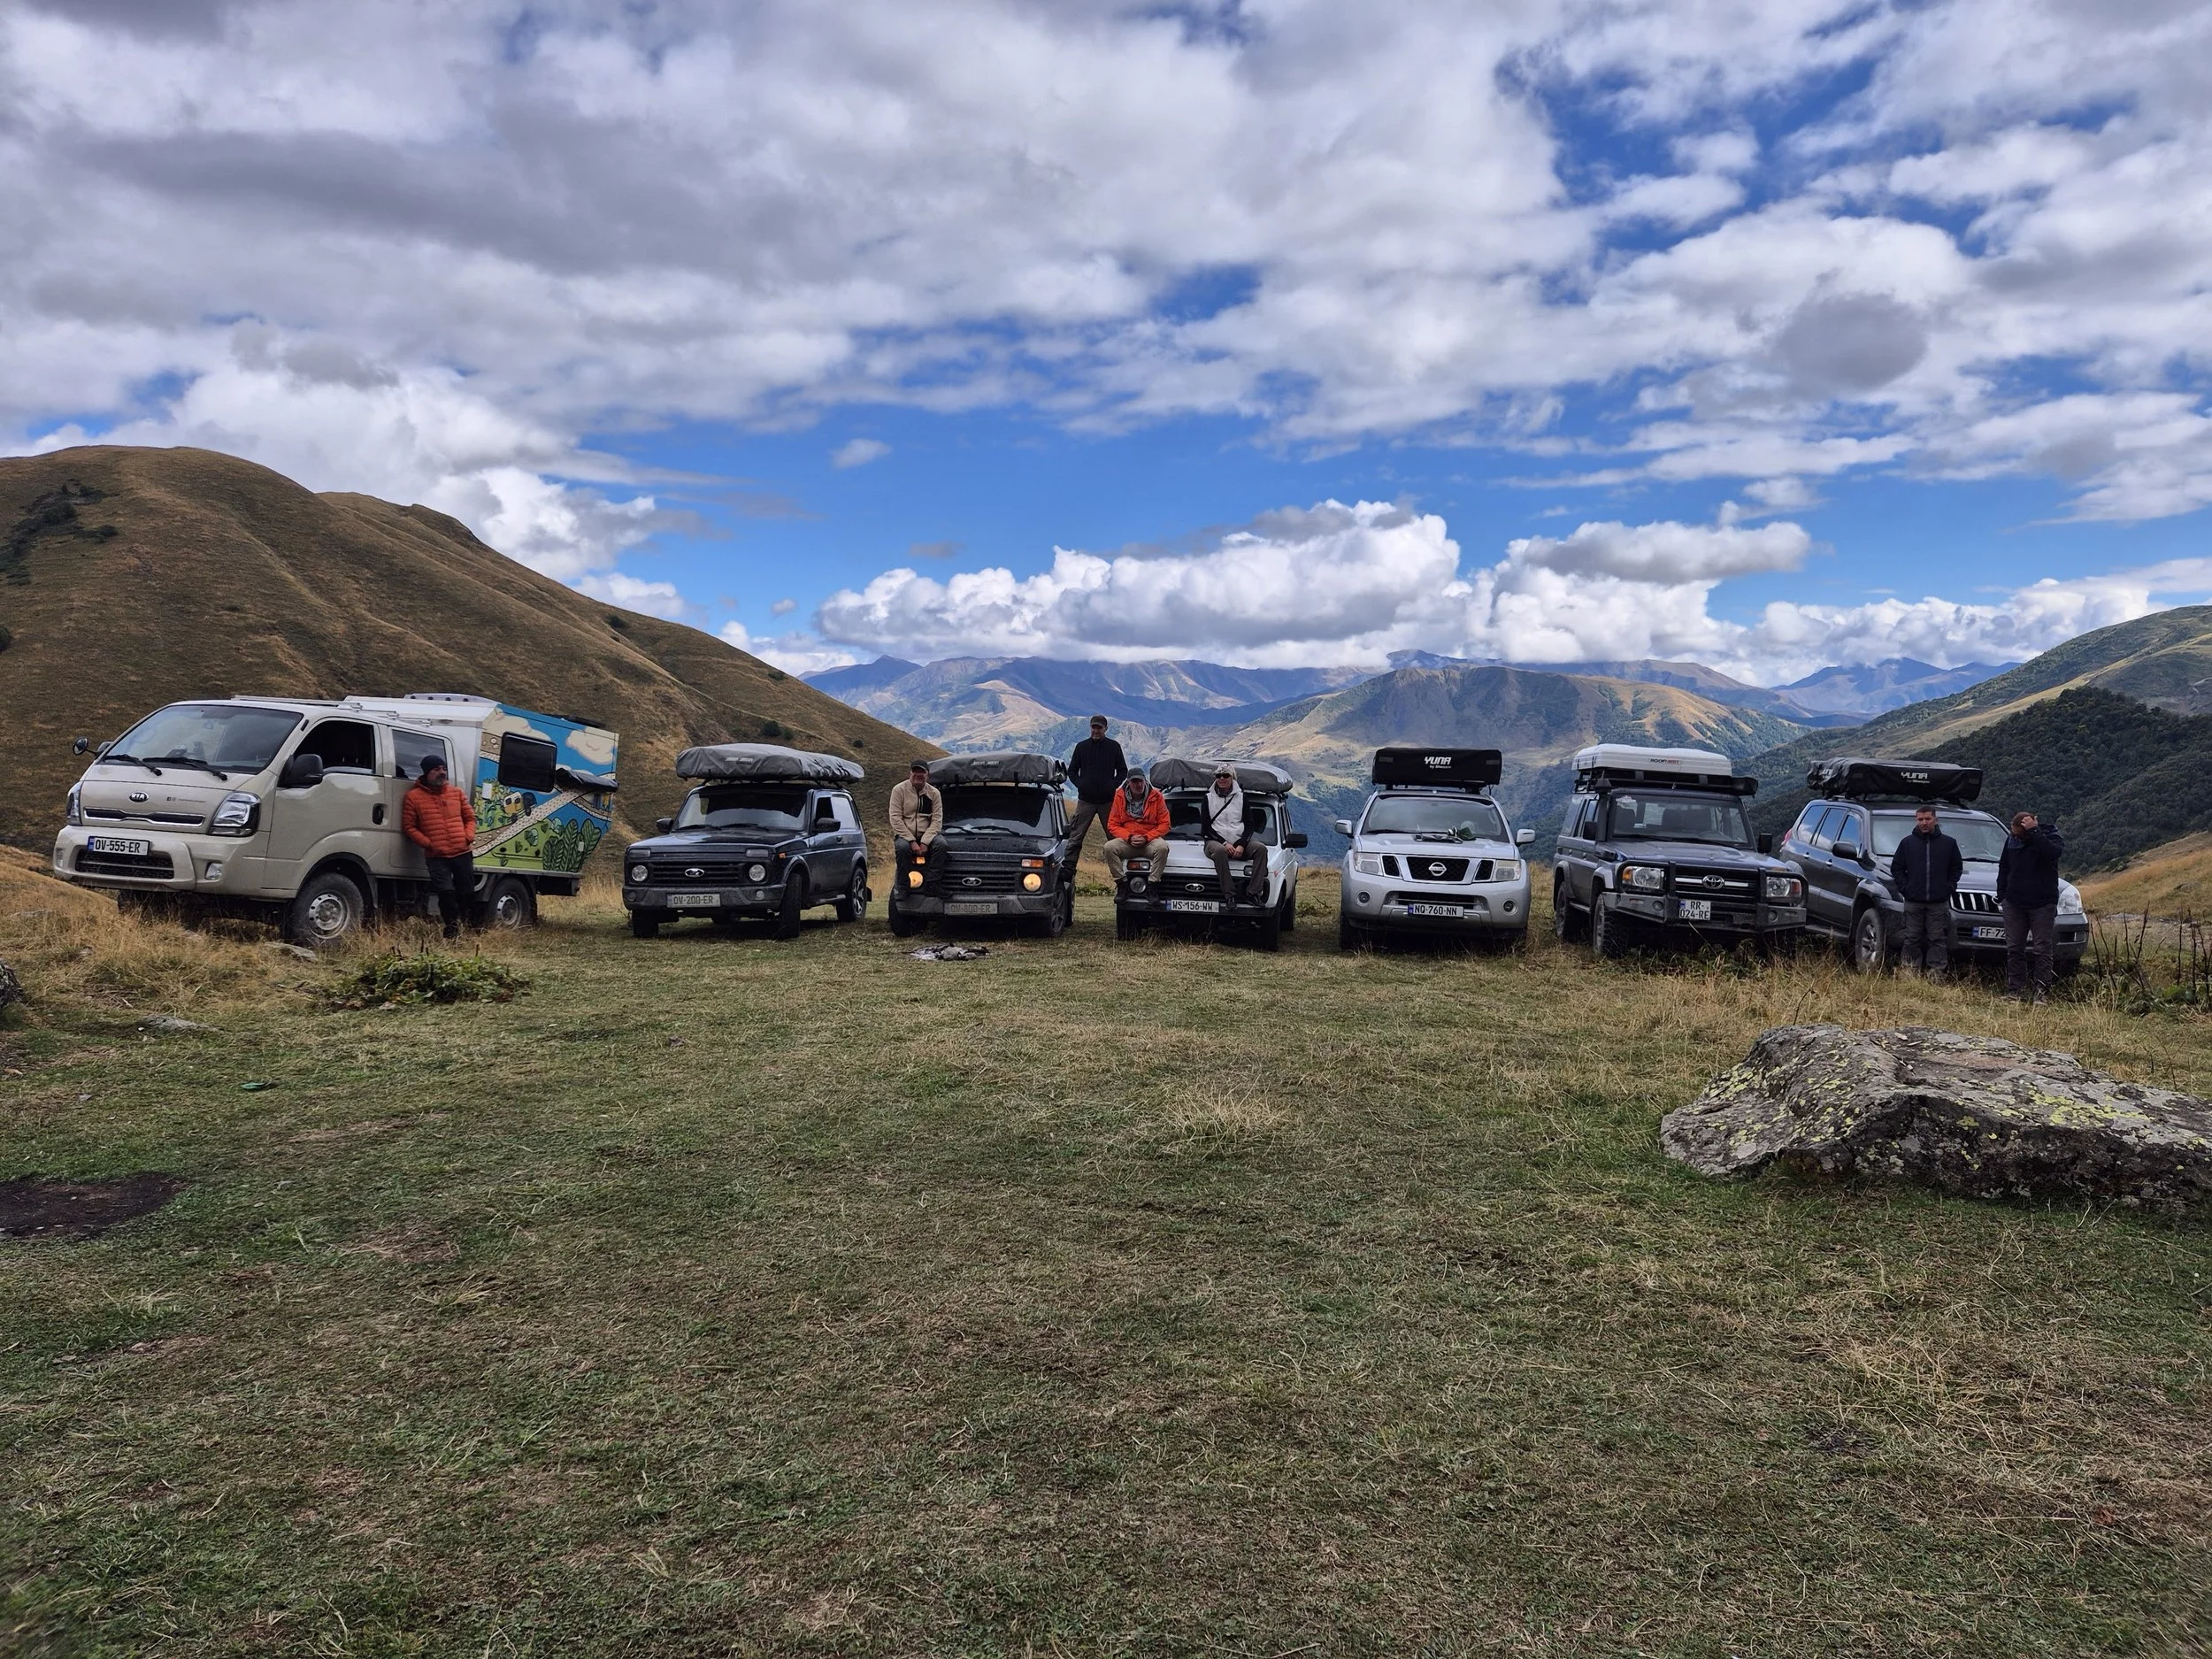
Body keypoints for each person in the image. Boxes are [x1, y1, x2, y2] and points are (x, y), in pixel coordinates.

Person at [402, 753, 477, 938]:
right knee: (446, 893)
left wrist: (468, 836)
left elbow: (470, 818)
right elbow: (409, 827)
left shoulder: (457, 793)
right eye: (436, 769)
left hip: (461, 852)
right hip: (436, 856)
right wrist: (428, 843)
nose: (441, 773)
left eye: (443, 769)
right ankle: (451, 928)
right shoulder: (413, 797)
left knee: (467, 892)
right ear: (427, 773)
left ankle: (473, 927)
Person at [1997, 810, 2065, 1001]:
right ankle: (2015, 991)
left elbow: (2053, 853)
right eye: (2013, 833)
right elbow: (2004, 866)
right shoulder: (2011, 840)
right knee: (2014, 948)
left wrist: (2035, 833)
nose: (2015, 836)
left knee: (2042, 948)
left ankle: (2041, 992)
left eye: (2019, 833)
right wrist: (2002, 894)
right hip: (2014, 902)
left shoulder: (2050, 835)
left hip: (2042, 903)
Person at [1888, 803, 1962, 979]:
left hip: (1938, 901)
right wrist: (1906, 889)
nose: (1924, 823)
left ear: (1935, 820)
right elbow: (1897, 868)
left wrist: (1948, 888)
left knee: (1937, 938)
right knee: (1911, 937)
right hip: (1914, 900)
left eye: (1927, 819)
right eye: (1920, 819)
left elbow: (1956, 868)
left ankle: (1936, 975)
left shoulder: (1949, 844)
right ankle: (1909, 973)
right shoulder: (1907, 843)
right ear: (1916, 820)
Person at [1200, 762, 1268, 906]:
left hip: (1238, 842)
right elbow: (1205, 828)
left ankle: (1254, 893)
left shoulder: (1242, 798)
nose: (1221, 778)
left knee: (1261, 849)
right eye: (1218, 775)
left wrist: (1242, 844)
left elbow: (1250, 825)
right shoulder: (1208, 798)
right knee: (1219, 851)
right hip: (1215, 841)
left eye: (1226, 775)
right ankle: (1230, 895)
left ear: (1232, 778)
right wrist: (1224, 843)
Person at [1064, 715, 1128, 862]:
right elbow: (1072, 771)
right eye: (1094, 727)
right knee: (1075, 838)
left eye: (1099, 727)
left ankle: (1121, 877)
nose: (1096, 730)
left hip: (1108, 802)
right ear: (1090, 728)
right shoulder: (1081, 747)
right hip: (1085, 801)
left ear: (1106, 729)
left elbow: (1123, 771)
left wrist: (1112, 785)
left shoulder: (1114, 747)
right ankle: (1066, 876)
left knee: (1114, 840)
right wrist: (1081, 785)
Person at [888, 759, 947, 896]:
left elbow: (937, 820)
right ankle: (903, 887)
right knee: (902, 849)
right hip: (904, 834)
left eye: (922, 772)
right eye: (915, 771)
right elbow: (895, 818)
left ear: (928, 775)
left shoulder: (934, 794)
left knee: (941, 845)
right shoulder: (899, 790)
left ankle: (932, 884)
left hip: (928, 834)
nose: (918, 774)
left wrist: (925, 842)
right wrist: (912, 841)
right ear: (910, 773)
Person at [1102, 768, 1171, 887]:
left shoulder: (1156, 796)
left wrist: (1147, 837)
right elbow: (1112, 824)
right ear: (1128, 782)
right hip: (1128, 841)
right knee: (1109, 847)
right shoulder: (1119, 796)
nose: (1138, 784)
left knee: (1162, 847)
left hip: (1150, 841)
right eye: (1134, 781)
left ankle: (1152, 885)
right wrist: (1129, 837)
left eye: (1140, 781)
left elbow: (1165, 824)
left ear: (1145, 781)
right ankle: (1121, 884)